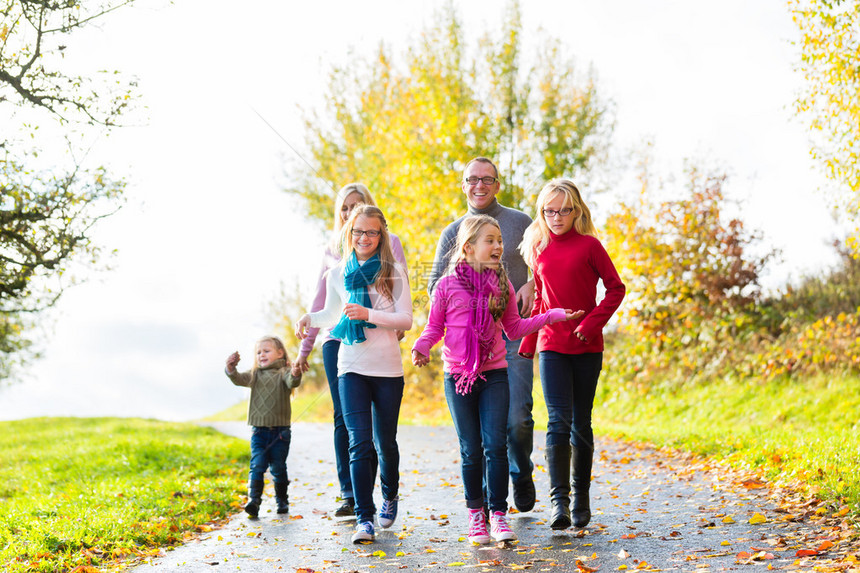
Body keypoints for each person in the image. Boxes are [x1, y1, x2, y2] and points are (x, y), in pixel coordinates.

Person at [413, 215, 582, 544]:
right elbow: (434, 328)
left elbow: (515, 328)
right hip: (458, 377)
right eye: (490, 240)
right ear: (468, 247)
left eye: (499, 241)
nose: (498, 246)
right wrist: (421, 347)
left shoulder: (500, 285)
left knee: (495, 447)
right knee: (471, 450)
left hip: (494, 374)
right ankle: (477, 516)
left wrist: (554, 315)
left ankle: (498, 515)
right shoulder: (447, 286)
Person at [295, 204, 413, 544]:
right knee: (359, 443)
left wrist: (369, 314)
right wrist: (309, 318)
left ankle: (389, 494)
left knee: (385, 443)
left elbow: (405, 320)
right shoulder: (335, 274)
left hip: (387, 368)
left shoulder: (393, 272)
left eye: (372, 232)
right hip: (350, 367)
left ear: (382, 236)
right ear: (349, 233)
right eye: (358, 231)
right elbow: (332, 313)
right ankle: (365, 518)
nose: (364, 238)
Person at [427, 157, 539, 512]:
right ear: (463, 184)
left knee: (518, 417)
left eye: (487, 179)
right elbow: (435, 287)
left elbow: (545, 261)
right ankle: (492, 505)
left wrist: (532, 285)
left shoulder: (521, 221)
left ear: (497, 184)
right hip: (473, 343)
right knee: (482, 434)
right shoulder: (453, 232)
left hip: (512, 328)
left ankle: (521, 472)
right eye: (472, 179)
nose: (479, 185)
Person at [518, 179, 626, 530]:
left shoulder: (590, 246)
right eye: (550, 210)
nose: (557, 216)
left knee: (581, 422)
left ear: (576, 210)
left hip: (587, 346)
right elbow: (541, 300)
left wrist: (592, 324)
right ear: (542, 212)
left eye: (564, 210)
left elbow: (616, 289)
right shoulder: (538, 248)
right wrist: (529, 340)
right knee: (557, 422)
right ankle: (559, 502)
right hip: (552, 344)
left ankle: (581, 497)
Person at [225, 335, 303, 518]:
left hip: (280, 432)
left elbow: (293, 381)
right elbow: (237, 379)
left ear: (280, 353)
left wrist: (296, 372)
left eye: (266, 351)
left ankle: (282, 500)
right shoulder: (254, 374)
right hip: (258, 431)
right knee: (257, 465)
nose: (261, 355)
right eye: (258, 352)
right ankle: (254, 501)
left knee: (278, 467)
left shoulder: (284, 372)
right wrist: (230, 367)